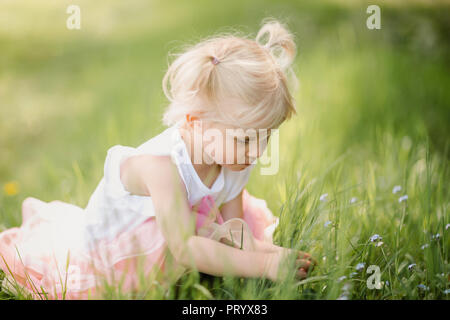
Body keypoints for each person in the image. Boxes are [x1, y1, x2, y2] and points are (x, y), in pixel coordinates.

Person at [0, 18, 316, 300]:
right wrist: (264, 264)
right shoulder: (162, 166)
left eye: (266, 136)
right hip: (115, 252)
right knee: (173, 252)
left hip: (179, 229)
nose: (258, 151)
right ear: (195, 122)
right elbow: (184, 247)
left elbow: (234, 230)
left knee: (221, 235)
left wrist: (275, 254)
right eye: (246, 139)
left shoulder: (234, 160)